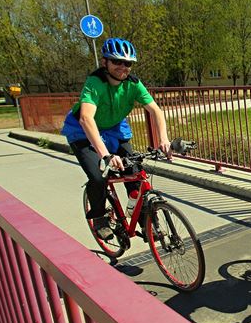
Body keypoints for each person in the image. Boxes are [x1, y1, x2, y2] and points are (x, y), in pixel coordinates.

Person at [62, 37, 171, 240]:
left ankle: (142, 219)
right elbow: (86, 118)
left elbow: (156, 111)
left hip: (114, 129)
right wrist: (105, 155)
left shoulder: (134, 85)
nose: (123, 67)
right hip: (83, 131)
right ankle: (99, 217)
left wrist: (163, 139)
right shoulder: (95, 83)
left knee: (135, 171)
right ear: (105, 62)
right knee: (98, 176)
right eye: (117, 61)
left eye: (127, 63)